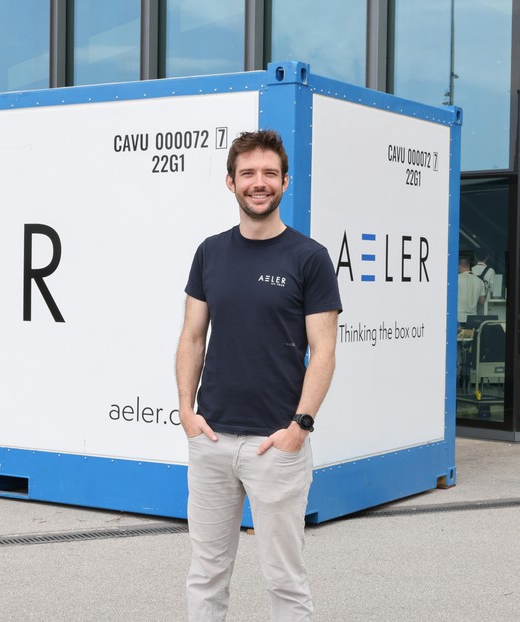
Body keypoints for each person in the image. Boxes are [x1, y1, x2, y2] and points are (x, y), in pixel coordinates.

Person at [174, 129, 342, 622]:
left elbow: (325, 350)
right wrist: (186, 410)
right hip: (212, 439)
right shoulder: (210, 252)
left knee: (284, 579)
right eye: (248, 173)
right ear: (231, 182)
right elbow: (191, 337)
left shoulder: (308, 257)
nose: (259, 182)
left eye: (269, 173)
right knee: (206, 572)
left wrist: (300, 427)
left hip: (276, 444)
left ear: (285, 182)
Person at [458, 257, 485, 323]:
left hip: (458, 317)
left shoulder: (456, 279)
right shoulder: (479, 281)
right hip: (472, 318)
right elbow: (482, 301)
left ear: (461, 265)